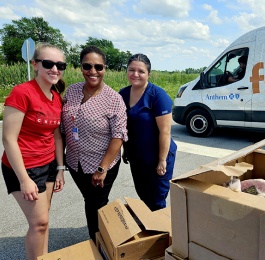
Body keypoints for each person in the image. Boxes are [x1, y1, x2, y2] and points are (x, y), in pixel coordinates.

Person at [1, 43, 66, 260]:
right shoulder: (22, 93)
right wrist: (24, 179)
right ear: (35, 64)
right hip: (23, 166)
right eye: (48, 63)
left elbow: (57, 136)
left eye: (60, 65)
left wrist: (59, 168)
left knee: (43, 221)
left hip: (48, 164)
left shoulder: (55, 97)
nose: (55, 69)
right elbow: (8, 139)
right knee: (39, 223)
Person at [61, 45, 128, 241]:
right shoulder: (72, 91)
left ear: (105, 68)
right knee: (90, 200)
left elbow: (119, 135)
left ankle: (99, 242)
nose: (93, 71)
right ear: (80, 67)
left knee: (96, 203)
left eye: (98, 67)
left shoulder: (114, 99)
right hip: (74, 162)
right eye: (87, 66)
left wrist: (102, 168)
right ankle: (100, 238)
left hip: (101, 165)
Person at [119, 53, 177, 211]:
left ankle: (161, 231)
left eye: (141, 71)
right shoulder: (122, 94)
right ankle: (149, 226)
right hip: (137, 157)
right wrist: (126, 149)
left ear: (148, 74)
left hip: (158, 156)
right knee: (143, 194)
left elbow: (165, 132)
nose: (135, 74)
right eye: (131, 69)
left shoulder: (158, 96)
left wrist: (162, 160)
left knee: (157, 197)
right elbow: (124, 126)